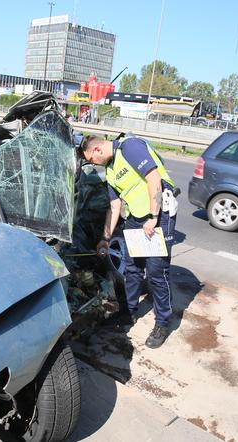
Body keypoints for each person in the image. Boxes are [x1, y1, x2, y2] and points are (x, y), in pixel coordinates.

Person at [78, 135, 178, 348]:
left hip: (159, 214)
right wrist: (105, 238)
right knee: (132, 268)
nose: (93, 163)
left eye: (91, 159)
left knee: (156, 272)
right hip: (136, 217)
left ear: (97, 149)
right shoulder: (111, 170)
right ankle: (130, 312)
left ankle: (163, 322)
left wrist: (153, 216)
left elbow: (154, 179)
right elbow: (114, 207)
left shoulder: (130, 147)